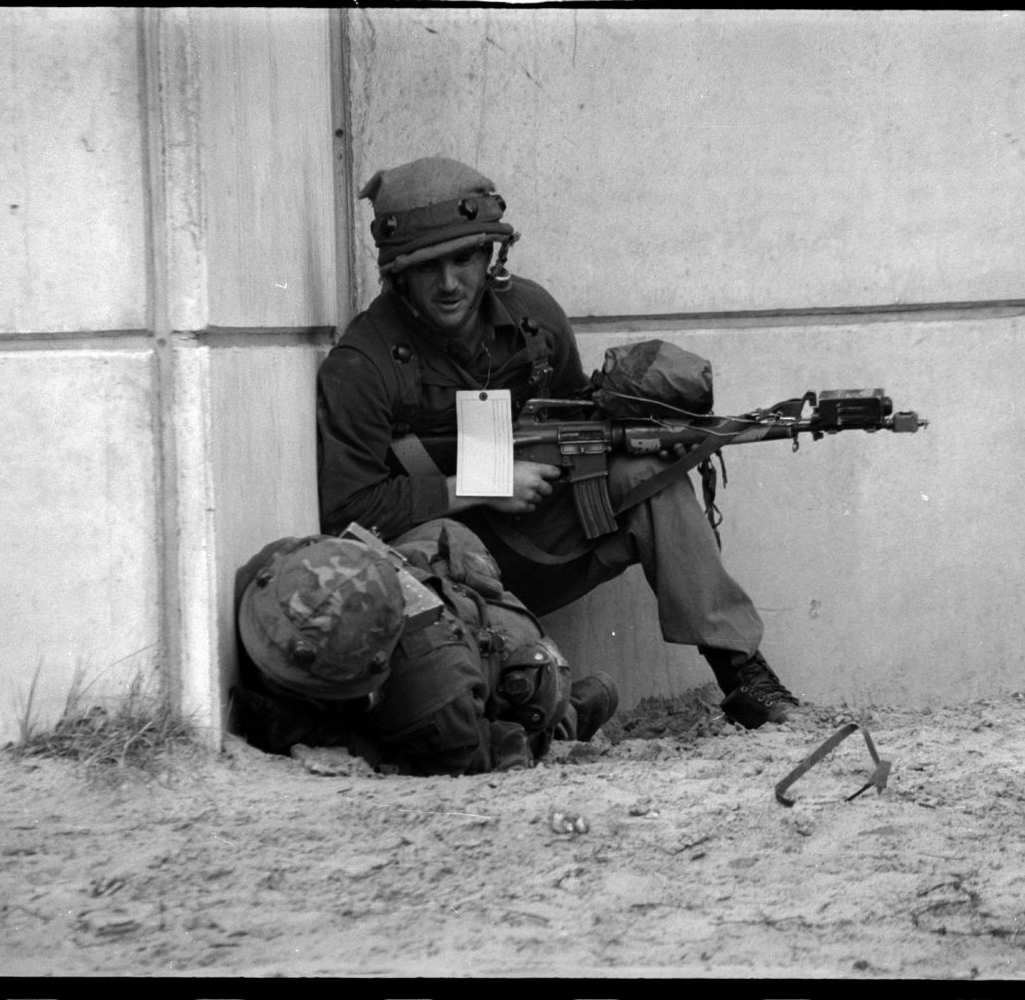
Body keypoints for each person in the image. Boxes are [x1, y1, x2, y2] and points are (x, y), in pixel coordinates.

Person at [315, 155, 799, 729]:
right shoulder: (363, 365)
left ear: (492, 253)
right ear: (398, 272)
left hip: (537, 542)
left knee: (650, 481)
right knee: (442, 549)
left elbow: (580, 420)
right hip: (443, 577)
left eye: (465, 258)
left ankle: (743, 674)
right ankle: (549, 711)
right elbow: (346, 510)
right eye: (428, 267)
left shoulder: (532, 319)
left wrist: (646, 441)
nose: (449, 283)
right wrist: (478, 489)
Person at [229, 519, 618, 776]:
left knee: (522, 728)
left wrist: (319, 733)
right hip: (439, 577)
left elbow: (457, 764)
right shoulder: (283, 568)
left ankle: (572, 717)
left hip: (502, 645)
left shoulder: (431, 697)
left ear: (371, 679)